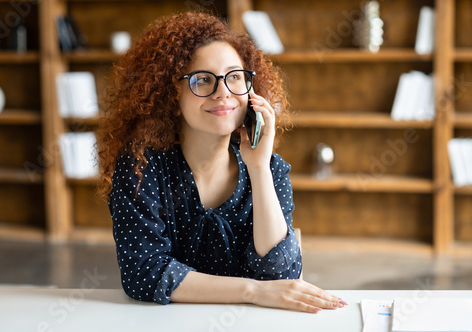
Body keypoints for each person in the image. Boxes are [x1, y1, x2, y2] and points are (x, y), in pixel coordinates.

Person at [96, 11, 347, 314]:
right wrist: (252, 291)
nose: (223, 93)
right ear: (172, 93)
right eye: (203, 80)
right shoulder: (139, 169)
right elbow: (143, 275)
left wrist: (258, 168)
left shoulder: (270, 168)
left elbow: (281, 274)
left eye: (234, 77)